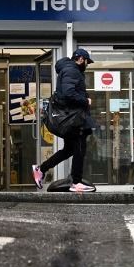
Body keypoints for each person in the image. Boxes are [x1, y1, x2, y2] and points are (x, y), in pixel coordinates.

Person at [32, 48, 97, 192]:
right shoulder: (72, 71)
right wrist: (85, 101)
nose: (87, 65)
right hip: (74, 119)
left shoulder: (69, 70)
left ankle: (41, 169)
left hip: (72, 118)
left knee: (69, 150)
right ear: (80, 59)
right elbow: (68, 93)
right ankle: (76, 182)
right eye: (86, 62)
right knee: (80, 148)